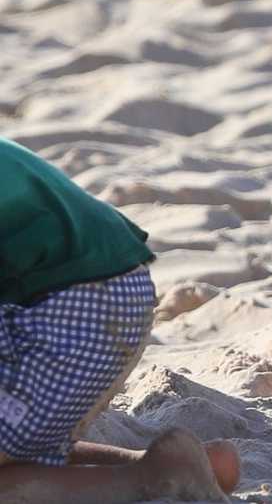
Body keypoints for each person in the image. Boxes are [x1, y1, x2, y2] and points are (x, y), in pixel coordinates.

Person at [0, 138, 239, 500]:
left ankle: (156, 478)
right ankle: (174, 465)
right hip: (107, 285)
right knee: (16, 444)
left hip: (74, 307)